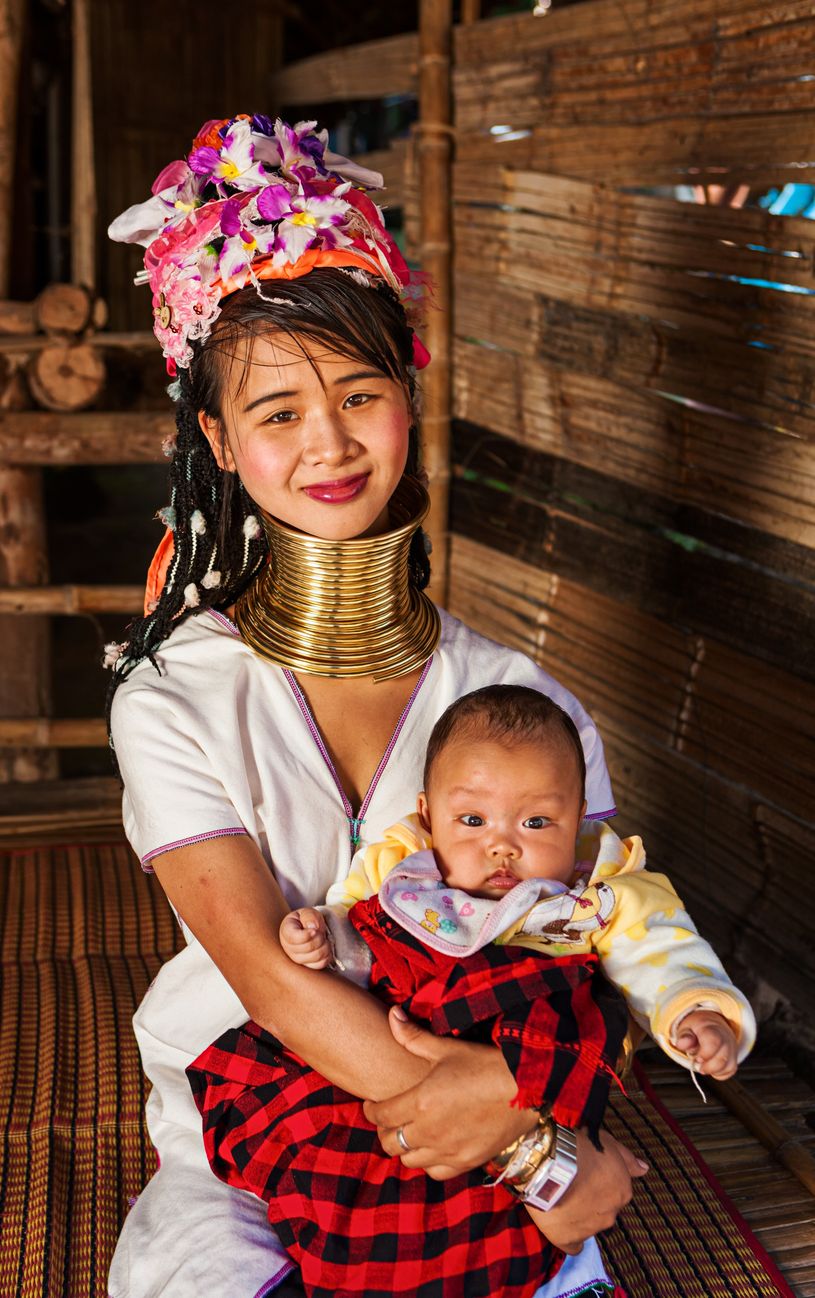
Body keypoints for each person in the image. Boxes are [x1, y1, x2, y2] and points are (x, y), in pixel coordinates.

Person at [105, 113, 647, 1298]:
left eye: (359, 393)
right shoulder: (173, 695)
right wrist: (534, 1141)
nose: (329, 443)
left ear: (408, 394)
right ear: (215, 437)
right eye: (277, 412)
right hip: (245, 1135)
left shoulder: (521, 700)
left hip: (484, 1105)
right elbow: (270, 975)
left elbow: (598, 946)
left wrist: (509, 1115)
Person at [188, 685, 753, 1297]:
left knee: (573, 1033)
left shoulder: (603, 895)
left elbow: (664, 956)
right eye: (473, 820)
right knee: (343, 1163)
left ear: (581, 815)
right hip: (393, 1046)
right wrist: (320, 937)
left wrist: (695, 1010)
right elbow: (356, 928)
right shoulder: (405, 870)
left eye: (537, 822)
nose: (502, 844)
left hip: (525, 1059)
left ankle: (540, 1269)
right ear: (429, 816)